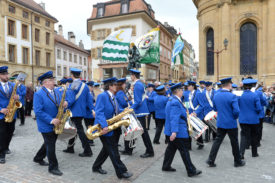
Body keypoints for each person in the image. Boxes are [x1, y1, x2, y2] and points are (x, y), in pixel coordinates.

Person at [92, 77, 133, 179]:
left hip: (113, 127)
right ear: (109, 86)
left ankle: (96, 166)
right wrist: (104, 126)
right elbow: (99, 112)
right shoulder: (103, 96)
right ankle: (122, 172)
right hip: (104, 127)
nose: (116, 86)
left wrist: (126, 110)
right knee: (113, 150)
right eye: (114, 85)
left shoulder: (112, 96)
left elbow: (117, 109)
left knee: (107, 149)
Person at [33, 71, 71, 176]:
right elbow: (38, 111)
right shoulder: (38, 94)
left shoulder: (57, 91)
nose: (54, 81)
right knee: (51, 145)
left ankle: (38, 157)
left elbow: (61, 102)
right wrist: (51, 120)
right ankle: (53, 167)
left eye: (53, 80)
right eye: (51, 80)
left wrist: (65, 104)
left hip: (57, 122)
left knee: (48, 142)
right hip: (46, 124)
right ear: (45, 82)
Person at [162, 83, 202, 177]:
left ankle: (166, 165)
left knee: (171, 149)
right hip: (178, 131)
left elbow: (177, 115)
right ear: (178, 91)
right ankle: (191, 171)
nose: (183, 91)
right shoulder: (175, 102)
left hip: (175, 130)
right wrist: (174, 132)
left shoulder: (173, 99)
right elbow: (174, 118)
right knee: (184, 151)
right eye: (182, 90)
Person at [206, 77, 245, 168]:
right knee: (234, 142)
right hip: (231, 123)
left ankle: (211, 160)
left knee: (217, 142)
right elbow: (236, 111)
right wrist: (234, 117)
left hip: (221, 122)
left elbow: (215, 109)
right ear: (229, 85)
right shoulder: (232, 96)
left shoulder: (216, 95)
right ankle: (237, 161)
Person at [63, 68, 93, 157]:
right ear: (79, 75)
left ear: (72, 75)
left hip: (74, 111)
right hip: (82, 111)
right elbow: (89, 100)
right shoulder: (85, 86)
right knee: (75, 129)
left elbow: (71, 99)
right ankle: (70, 147)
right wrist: (91, 109)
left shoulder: (73, 85)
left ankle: (87, 150)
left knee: (79, 131)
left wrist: (66, 104)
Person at [129, 69, 154, 158]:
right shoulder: (138, 84)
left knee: (144, 133)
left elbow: (138, 101)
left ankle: (150, 151)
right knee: (144, 132)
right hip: (141, 111)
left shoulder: (137, 85)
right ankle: (149, 150)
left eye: (131, 75)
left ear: (134, 76)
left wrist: (130, 108)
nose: (130, 77)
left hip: (141, 112)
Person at [0, 66, 22, 164]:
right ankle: (1, 154)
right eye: (4, 74)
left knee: (10, 132)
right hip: (1, 115)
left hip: (12, 113)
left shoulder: (13, 85)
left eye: (7, 74)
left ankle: (6, 147)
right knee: (2, 134)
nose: (7, 76)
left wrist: (18, 97)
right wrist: (1, 110)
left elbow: (20, 96)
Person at [238, 79, 261, 159]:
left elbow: (237, 107)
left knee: (243, 136)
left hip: (243, 119)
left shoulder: (240, 96)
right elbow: (258, 108)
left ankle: (241, 154)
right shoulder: (255, 95)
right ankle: (254, 153)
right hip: (253, 119)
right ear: (251, 87)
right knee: (254, 136)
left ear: (243, 87)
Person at [115, 78, 134, 155]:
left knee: (126, 131)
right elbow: (124, 103)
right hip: (123, 113)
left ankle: (128, 149)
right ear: (121, 84)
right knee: (127, 131)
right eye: (124, 84)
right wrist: (131, 102)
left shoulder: (120, 92)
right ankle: (128, 149)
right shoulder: (120, 92)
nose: (125, 85)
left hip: (123, 113)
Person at [187, 81, 204, 150]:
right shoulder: (189, 94)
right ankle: (189, 146)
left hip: (196, 114)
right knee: (189, 129)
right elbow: (188, 103)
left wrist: (196, 112)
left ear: (192, 86)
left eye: (189, 86)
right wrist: (186, 109)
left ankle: (200, 143)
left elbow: (202, 105)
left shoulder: (198, 94)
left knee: (196, 130)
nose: (187, 87)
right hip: (190, 114)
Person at [84, 81, 96, 146]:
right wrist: (93, 106)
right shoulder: (87, 94)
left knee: (91, 127)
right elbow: (87, 104)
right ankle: (90, 140)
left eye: (92, 86)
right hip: (88, 114)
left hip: (91, 113)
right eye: (91, 87)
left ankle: (90, 140)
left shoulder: (92, 93)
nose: (92, 88)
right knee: (89, 127)